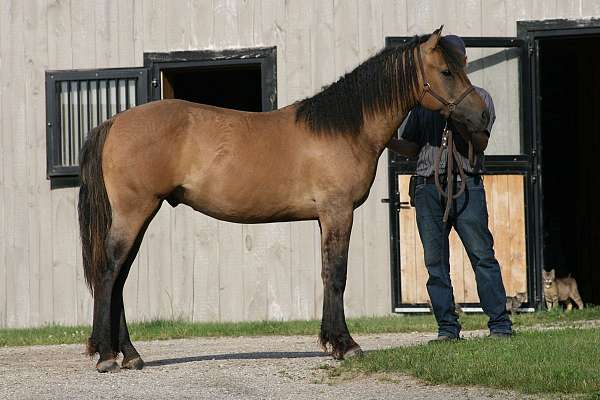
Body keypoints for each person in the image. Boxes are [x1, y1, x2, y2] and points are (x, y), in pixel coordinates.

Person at [387, 35, 512, 340]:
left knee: (482, 255)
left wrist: (456, 115)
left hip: (466, 185)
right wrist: (386, 140)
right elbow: (414, 147)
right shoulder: (423, 106)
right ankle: (447, 328)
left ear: (464, 63)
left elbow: (481, 144)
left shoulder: (478, 97)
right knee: (435, 262)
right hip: (428, 187)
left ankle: (500, 325)